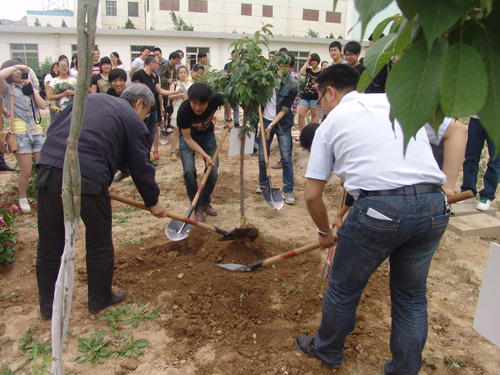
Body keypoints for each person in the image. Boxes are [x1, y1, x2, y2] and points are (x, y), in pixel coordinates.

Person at [295, 64, 449, 374]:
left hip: (381, 210)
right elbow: (457, 128)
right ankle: (405, 369)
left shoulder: (331, 121)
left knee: (344, 288)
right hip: (434, 205)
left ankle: (327, 350)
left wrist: (324, 232)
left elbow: (312, 195)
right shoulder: (396, 102)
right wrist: (452, 184)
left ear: (330, 92)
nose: (321, 107)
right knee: (411, 297)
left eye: (321, 99)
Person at [35, 83, 167, 318]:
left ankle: (48, 307)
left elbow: (54, 128)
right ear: (139, 104)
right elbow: (140, 166)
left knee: (50, 243)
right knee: (99, 242)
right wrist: (153, 201)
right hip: (88, 176)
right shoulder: (133, 119)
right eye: (146, 112)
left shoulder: (90, 99)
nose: (145, 118)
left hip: (48, 168)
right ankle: (99, 298)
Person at [176, 83, 234, 222]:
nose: (197, 107)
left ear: (208, 101)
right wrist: (206, 156)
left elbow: (226, 99)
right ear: (189, 100)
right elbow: (188, 140)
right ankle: (197, 206)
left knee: (212, 172)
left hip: (207, 136)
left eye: (202, 104)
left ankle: (205, 202)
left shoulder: (215, 98)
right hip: (188, 139)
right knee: (189, 171)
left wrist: (229, 118)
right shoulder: (183, 111)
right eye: (194, 103)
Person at [0, 60, 47, 213]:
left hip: (36, 131)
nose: (19, 72)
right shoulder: (7, 89)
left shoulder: (28, 88)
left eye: (21, 70)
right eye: (16, 71)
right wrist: (16, 66)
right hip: (20, 133)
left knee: (44, 167)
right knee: (25, 170)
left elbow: (42, 106)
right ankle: (22, 197)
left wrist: (31, 89)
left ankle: (45, 196)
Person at [256, 53, 299, 205]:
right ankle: (263, 184)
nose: (282, 68)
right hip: (264, 119)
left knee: (286, 157)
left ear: (290, 68)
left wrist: (272, 124)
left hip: (282, 123)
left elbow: (286, 108)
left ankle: (288, 190)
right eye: (280, 65)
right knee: (263, 155)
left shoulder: (292, 85)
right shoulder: (266, 78)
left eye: (286, 66)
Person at [131, 56, 181, 164]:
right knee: (141, 135)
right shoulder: (138, 75)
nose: (159, 66)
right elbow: (133, 91)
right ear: (152, 63)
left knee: (150, 135)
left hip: (153, 109)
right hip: (141, 111)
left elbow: (160, 91)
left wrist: (176, 93)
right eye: (158, 64)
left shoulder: (154, 77)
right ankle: (138, 159)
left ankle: (146, 159)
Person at [460, 115, 500, 211]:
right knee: (470, 157)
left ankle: (487, 196)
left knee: (495, 159)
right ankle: (468, 192)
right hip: (476, 118)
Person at [168, 66, 191, 160]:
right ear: (177, 74)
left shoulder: (190, 84)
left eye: (184, 72)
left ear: (187, 73)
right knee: (176, 130)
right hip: (177, 107)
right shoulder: (174, 84)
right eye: (180, 72)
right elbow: (169, 97)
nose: (182, 74)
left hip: (187, 108)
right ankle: (173, 151)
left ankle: (186, 150)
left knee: (187, 130)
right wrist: (178, 95)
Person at [298, 53, 321, 137]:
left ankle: (313, 134)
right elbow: (301, 72)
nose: (313, 62)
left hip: (315, 97)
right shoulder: (309, 71)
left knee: (314, 116)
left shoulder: (321, 72)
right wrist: (307, 61)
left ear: (318, 61)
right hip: (305, 97)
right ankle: (302, 133)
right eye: (311, 61)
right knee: (301, 115)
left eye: (314, 60)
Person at [223, 50, 240, 127]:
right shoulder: (227, 65)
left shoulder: (240, 66)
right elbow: (225, 75)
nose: (235, 57)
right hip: (228, 87)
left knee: (236, 106)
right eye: (233, 55)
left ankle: (236, 122)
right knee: (227, 105)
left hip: (237, 88)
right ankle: (226, 120)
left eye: (236, 55)